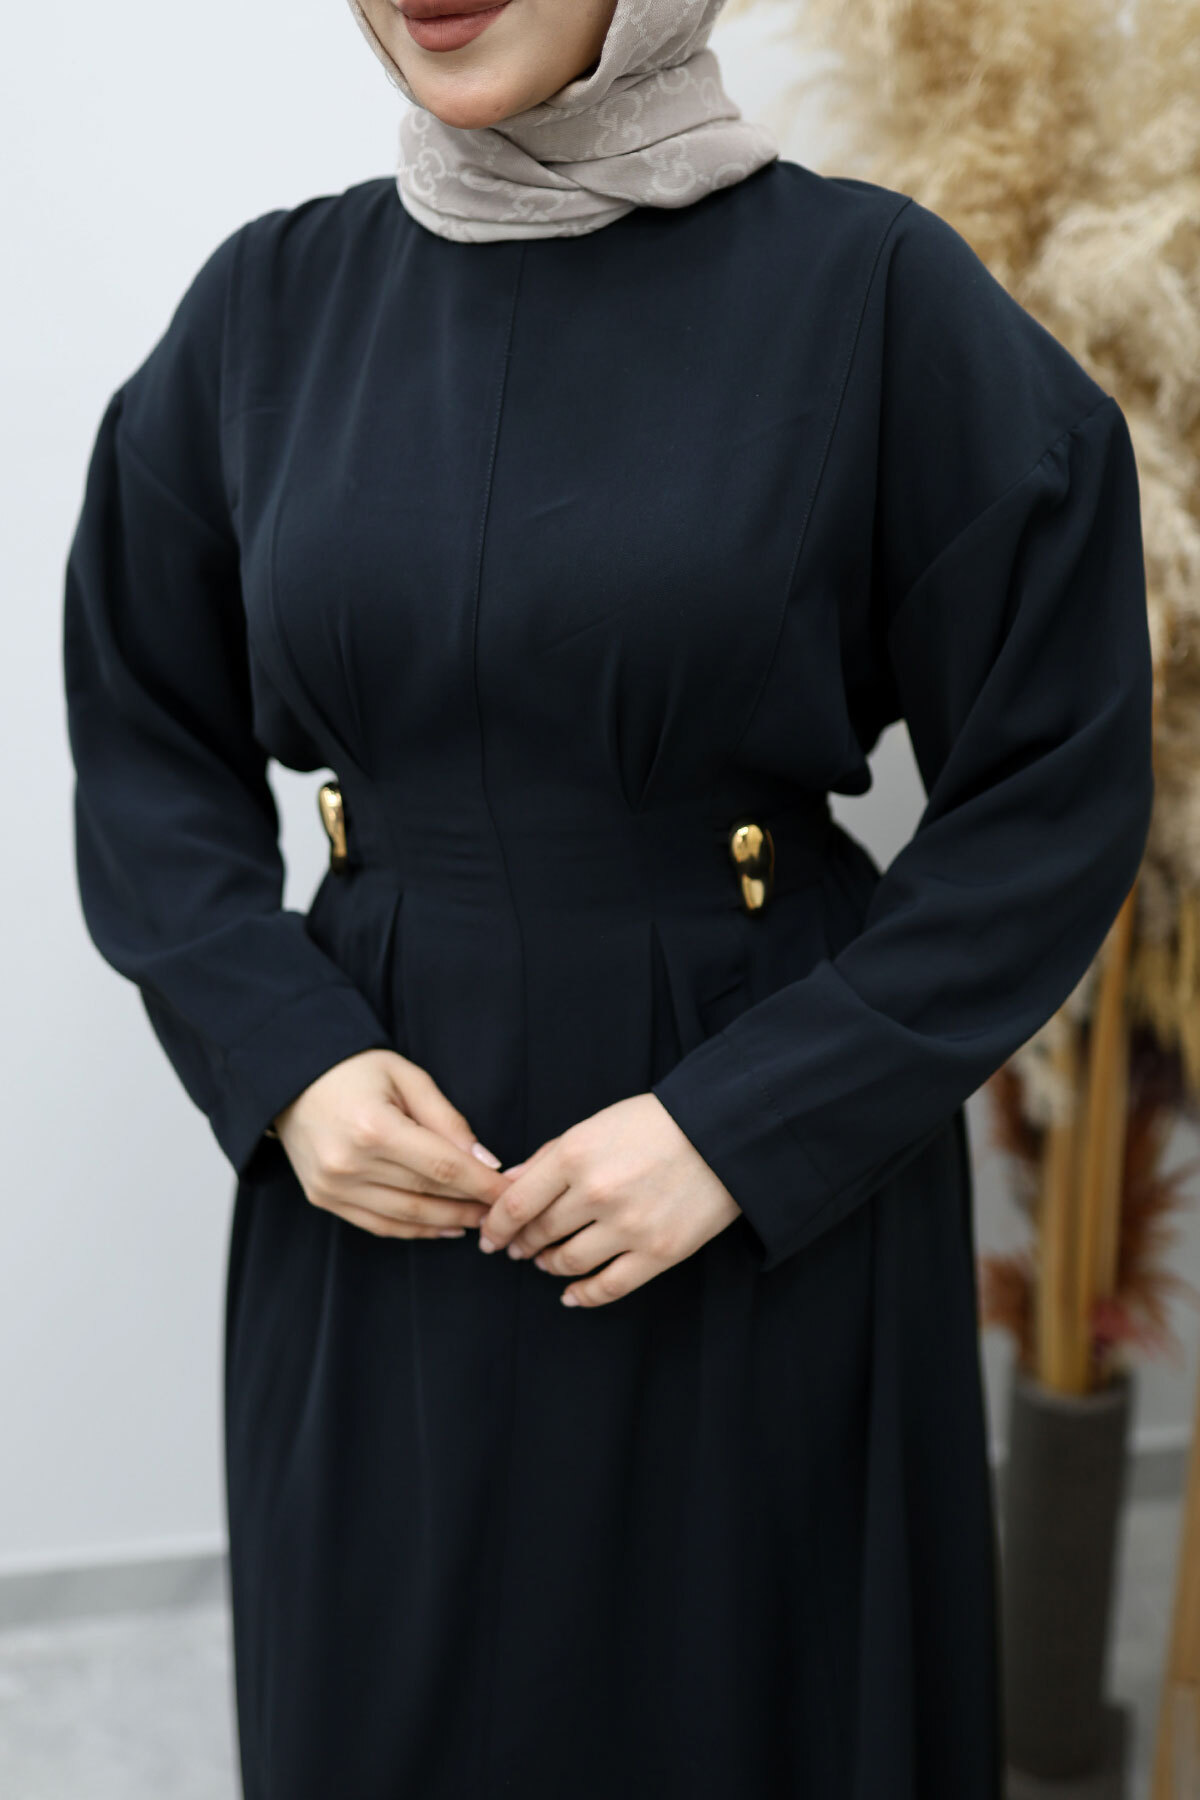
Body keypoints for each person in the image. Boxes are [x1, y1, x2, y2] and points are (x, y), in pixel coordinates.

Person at [61, 0, 1155, 1794]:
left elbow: (1056, 780)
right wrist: (284, 1056)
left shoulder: (874, 296)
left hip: (761, 1191)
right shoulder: (269, 308)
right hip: (378, 1195)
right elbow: (141, 728)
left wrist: (748, 1125)